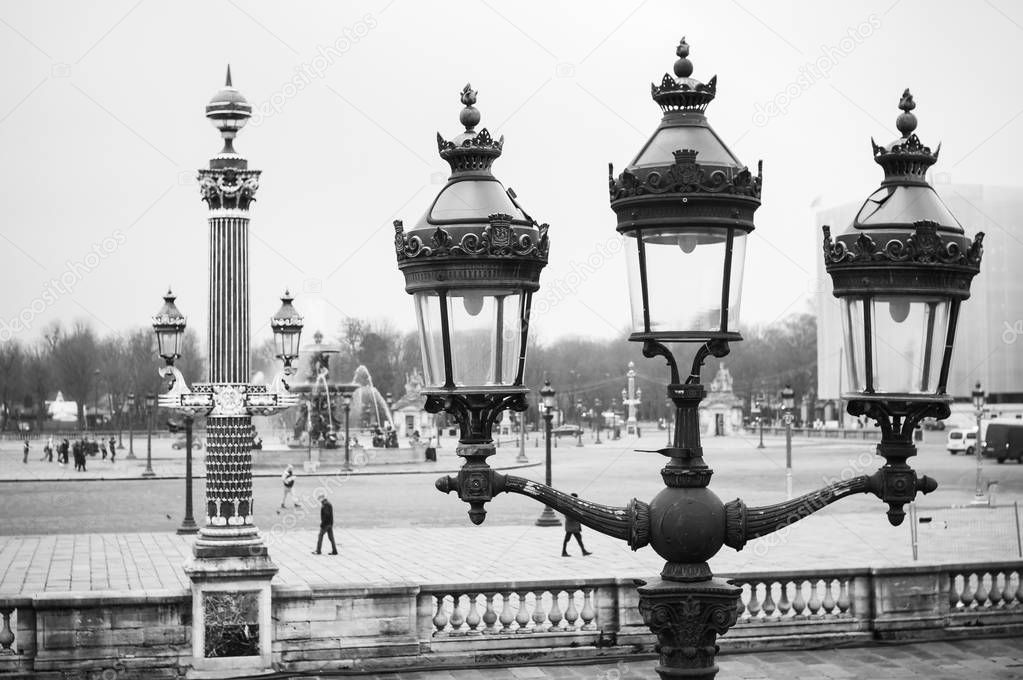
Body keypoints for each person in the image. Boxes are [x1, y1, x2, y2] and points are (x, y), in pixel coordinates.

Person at [562, 493, 592, 557]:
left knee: (577, 539)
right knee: (568, 539)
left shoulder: (573, 505)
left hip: (574, 526)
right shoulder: (569, 506)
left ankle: (583, 551)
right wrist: (577, 516)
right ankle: (564, 552)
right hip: (571, 526)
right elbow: (568, 516)